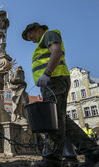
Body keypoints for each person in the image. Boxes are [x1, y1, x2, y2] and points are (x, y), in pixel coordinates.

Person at [22, 22, 99, 167]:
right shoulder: (43, 41)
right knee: (61, 120)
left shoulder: (49, 35)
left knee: (54, 120)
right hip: (51, 83)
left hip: (54, 81)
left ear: (36, 29)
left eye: (29, 34)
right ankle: (92, 151)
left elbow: (56, 52)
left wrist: (47, 74)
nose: (29, 38)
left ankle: (52, 159)